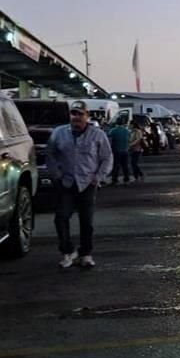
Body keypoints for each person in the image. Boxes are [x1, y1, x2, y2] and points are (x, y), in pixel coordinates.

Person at [46, 101, 113, 269]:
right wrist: (56, 175)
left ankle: (86, 254)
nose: (76, 117)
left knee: (86, 221)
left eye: (80, 114)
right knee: (61, 218)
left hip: (87, 183)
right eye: (73, 114)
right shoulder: (59, 133)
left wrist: (98, 178)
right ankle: (67, 252)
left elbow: (106, 157)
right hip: (66, 182)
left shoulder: (97, 134)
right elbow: (51, 154)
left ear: (87, 116)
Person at [108, 118, 131, 185]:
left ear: (116, 123)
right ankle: (126, 179)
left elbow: (109, 141)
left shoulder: (113, 131)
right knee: (125, 166)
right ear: (123, 123)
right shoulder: (127, 131)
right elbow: (129, 139)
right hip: (125, 150)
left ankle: (114, 180)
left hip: (116, 150)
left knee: (116, 166)